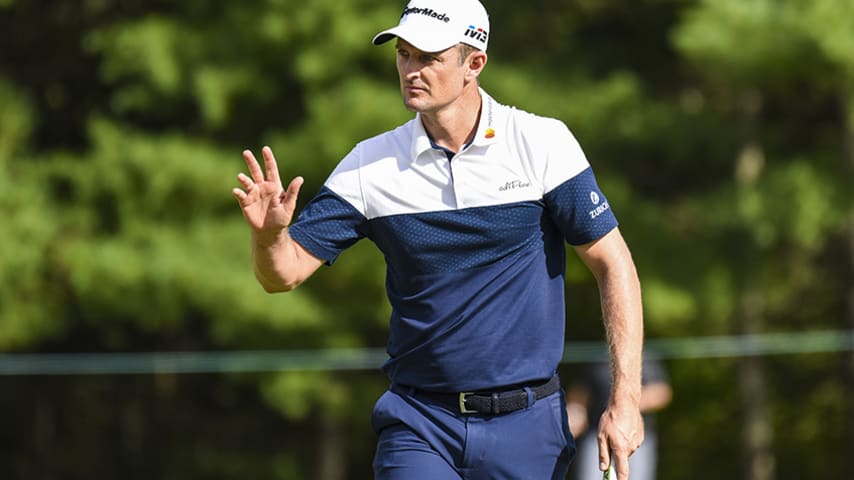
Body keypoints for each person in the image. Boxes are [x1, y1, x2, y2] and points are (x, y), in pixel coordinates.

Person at [231, 1, 644, 479]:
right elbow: (282, 274)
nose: (411, 70)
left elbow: (614, 264)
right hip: (419, 423)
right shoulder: (370, 166)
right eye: (404, 55)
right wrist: (269, 237)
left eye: (428, 57)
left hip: (528, 425)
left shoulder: (542, 145)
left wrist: (625, 399)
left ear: (474, 64)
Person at [567, 357, 672, 480]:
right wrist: (577, 411)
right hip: (596, 435)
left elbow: (662, 392)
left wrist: (624, 408)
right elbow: (579, 391)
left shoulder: (646, 359)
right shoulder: (596, 359)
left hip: (635, 439)